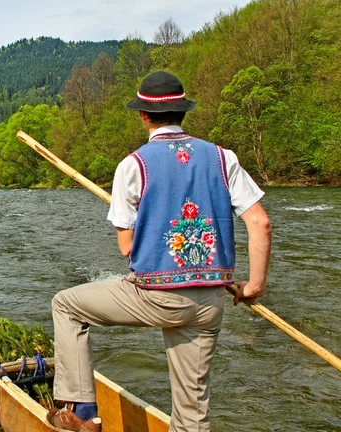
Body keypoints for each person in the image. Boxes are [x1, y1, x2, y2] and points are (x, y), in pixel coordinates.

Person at [46, 71, 272, 432]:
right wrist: (253, 285)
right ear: (183, 112)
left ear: (143, 115)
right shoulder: (223, 158)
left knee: (66, 305)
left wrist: (151, 226)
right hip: (209, 300)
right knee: (192, 414)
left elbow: (127, 249)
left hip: (157, 296)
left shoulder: (133, 165)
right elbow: (260, 223)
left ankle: (83, 412)